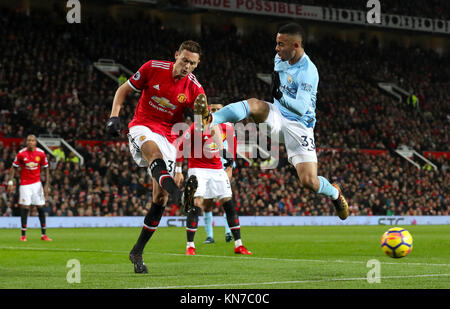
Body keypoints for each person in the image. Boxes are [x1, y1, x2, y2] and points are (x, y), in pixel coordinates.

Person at [195, 23, 349, 220]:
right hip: (277, 115)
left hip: (300, 127)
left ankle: (335, 193)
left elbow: (302, 108)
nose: (276, 49)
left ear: (296, 45)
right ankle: (210, 119)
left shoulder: (309, 71)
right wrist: (279, 99)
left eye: (281, 44)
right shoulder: (280, 58)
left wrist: (280, 96)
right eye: (276, 43)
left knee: (309, 181)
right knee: (255, 104)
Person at [106, 40, 205, 274]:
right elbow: (123, 89)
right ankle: (181, 196)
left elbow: (201, 125)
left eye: (192, 63)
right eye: (184, 60)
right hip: (142, 125)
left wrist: (204, 119)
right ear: (176, 56)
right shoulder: (153, 67)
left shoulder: (195, 89)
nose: (187, 66)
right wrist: (114, 116)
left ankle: (137, 251)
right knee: (154, 155)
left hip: (169, 137)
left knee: (160, 198)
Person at [176, 111, 252, 256]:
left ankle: (239, 245)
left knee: (228, 203)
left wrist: (230, 163)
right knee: (197, 204)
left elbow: (230, 147)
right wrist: (178, 171)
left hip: (217, 169)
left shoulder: (225, 127)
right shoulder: (194, 128)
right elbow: (180, 146)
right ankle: (190, 246)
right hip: (197, 169)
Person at [7, 135, 52, 242]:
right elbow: (14, 167)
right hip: (25, 184)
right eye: (29, 140)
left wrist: (46, 184)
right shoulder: (21, 153)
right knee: (25, 207)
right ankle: (23, 235)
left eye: (32, 140)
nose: (30, 142)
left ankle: (43, 235)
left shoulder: (41, 153)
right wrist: (10, 181)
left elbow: (46, 168)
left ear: (36, 142)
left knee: (40, 207)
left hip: (37, 184)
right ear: (26, 142)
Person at [202, 102, 235, 244]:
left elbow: (233, 149)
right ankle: (210, 235)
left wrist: (230, 168)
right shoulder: (203, 127)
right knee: (207, 203)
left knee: (225, 200)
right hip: (207, 168)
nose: (215, 111)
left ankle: (228, 232)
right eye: (213, 109)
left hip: (222, 168)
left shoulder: (228, 128)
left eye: (218, 110)